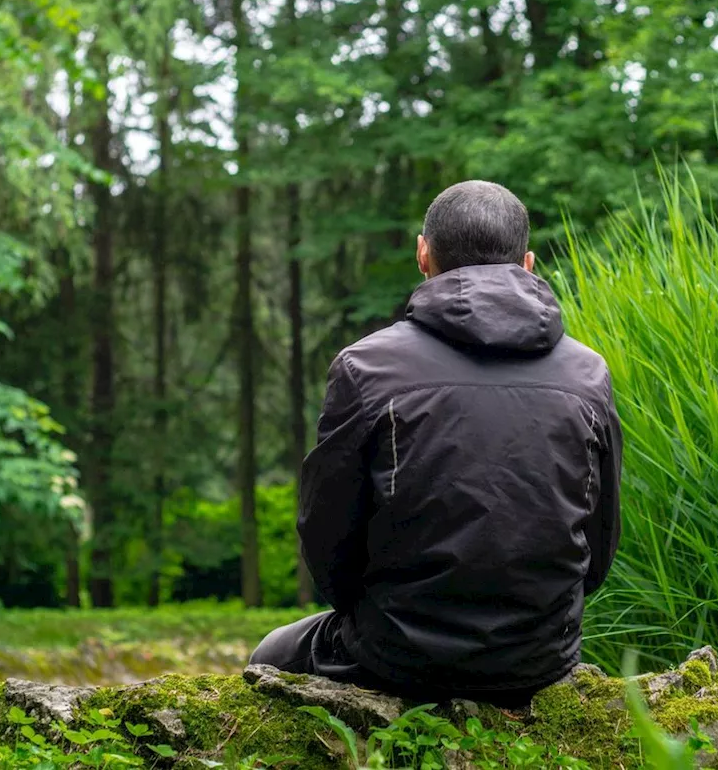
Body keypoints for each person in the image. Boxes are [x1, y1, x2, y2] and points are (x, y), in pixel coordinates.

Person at [249, 179, 622, 705]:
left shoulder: (366, 367)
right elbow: (599, 546)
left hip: (394, 653)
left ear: (423, 253)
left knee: (270, 655)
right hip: (540, 657)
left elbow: (327, 538)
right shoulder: (589, 374)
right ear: (528, 263)